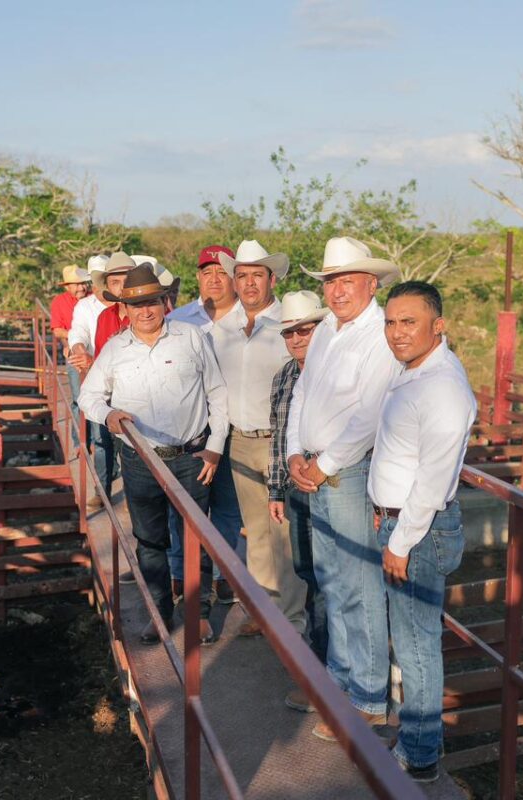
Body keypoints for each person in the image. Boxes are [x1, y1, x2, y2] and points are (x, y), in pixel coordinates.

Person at [285, 236, 401, 741]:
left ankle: (370, 698)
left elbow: (371, 415)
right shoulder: (330, 330)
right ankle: (341, 685)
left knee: (358, 583)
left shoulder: (379, 335)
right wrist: (294, 452)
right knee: (332, 581)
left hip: (347, 473)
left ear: (371, 284)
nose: (336, 291)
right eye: (330, 282)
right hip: (317, 469)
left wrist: (322, 463)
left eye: (346, 280)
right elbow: (303, 391)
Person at [78, 263, 229, 646]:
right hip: (140, 459)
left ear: (164, 302)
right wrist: (109, 415)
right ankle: (159, 613)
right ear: (124, 309)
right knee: (149, 540)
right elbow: (88, 397)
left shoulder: (191, 337)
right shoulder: (114, 350)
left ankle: (200, 615)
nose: (145, 310)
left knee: (197, 536)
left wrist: (214, 448)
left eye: (152, 302)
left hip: (190, 455)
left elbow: (217, 393)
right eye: (136, 304)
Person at [371, 281, 474, 782]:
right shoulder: (413, 372)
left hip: (419, 531)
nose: (396, 332)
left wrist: (399, 539)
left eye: (408, 322)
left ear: (439, 325)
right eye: (390, 322)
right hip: (402, 520)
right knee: (411, 637)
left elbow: (432, 481)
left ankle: (420, 755)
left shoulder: (443, 388)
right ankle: (416, 743)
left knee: (416, 643)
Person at [211, 241, 305, 639]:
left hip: (280, 442)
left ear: (272, 279)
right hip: (240, 440)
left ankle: (293, 622)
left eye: (257, 275)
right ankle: (266, 611)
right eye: (243, 276)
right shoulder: (223, 327)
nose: (249, 284)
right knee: (256, 531)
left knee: (284, 534)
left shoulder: (289, 323)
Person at [167, 245, 244, 604]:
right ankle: (181, 572)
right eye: (206, 272)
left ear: (234, 277)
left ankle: (222, 573)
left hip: (238, 427)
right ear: (197, 276)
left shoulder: (250, 318)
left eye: (222, 272)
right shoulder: (180, 318)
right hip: (193, 430)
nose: (214, 279)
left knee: (228, 507)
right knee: (183, 507)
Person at [266, 290, 330, 711]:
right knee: (308, 573)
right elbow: (278, 434)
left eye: (304, 329)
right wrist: (275, 488)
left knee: (332, 580)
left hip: (332, 486)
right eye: (290, 332)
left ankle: (324, 676)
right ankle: (320, 665)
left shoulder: (334, 372)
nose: (296, 338)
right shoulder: (285, 376)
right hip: (297, 489)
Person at [69, 253, 134, 512]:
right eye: (115, 281)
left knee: (131, 448)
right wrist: (83, 354)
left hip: (133, 394)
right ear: (106, 284)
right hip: (107, 392)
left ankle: (133, 496)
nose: (121, 287)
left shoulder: (143, 314)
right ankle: (103, 490)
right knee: (102, 441)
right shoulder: (103, 316)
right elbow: (88, 341)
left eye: (126, 280)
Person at [51, 264, 91, 404]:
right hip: (75, 354)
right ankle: (79, 426)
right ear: (67, 287)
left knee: (99, 400)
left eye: (83, 283)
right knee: (77, 399)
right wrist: (72, 340)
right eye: (77, 284)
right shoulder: (59, 301)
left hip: (97, 352)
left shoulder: (94, 298)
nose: (82, 288)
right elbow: (57, 331)